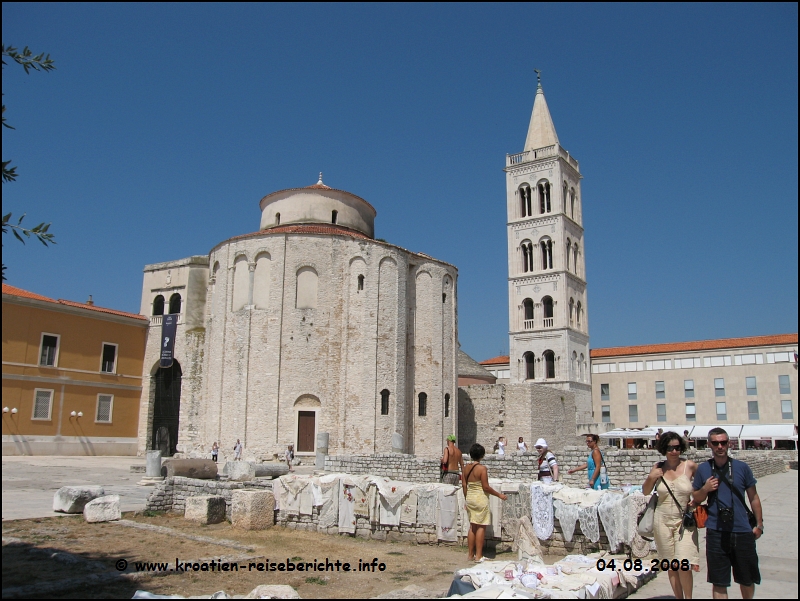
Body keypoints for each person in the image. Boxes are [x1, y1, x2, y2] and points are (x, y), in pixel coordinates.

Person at [693, 427, 763, 600]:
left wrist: (759, 525)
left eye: (723, 442)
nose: (720, 446)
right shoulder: (703, 469)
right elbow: (696, 498)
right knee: (719, 582)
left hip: (742, 530)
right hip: (716, 532)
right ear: (709, 444)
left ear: (728, 443)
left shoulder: (742, 468)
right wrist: (705, 488)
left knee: (747, 580)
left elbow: (753, 498)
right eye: (715, 443)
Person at [643, 431, 700, 599]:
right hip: (662, 520)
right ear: (663, 449)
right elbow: (646, 491)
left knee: (684, 563)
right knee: (671, 564)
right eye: (670, 448)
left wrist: (696, 501)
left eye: (676, 447)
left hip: (684, 521)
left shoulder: (690, 466)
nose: (674, 451)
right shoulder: (658, 468)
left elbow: (701, 488)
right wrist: (651, 477)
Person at [462, 443, 507, 562]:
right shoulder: (482, 469)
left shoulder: (466, 468)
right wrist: (499, 495)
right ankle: (479, 556)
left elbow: (464, 485)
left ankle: (470, 555)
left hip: (470, 498)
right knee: (481, 526)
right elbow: (486, 487)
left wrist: (466, 499)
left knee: (472, 526)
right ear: (482, 455)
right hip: (480, 498)